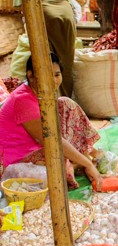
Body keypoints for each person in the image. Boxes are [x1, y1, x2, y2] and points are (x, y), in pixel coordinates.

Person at [0, 53, 101, 189]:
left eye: (57, 75)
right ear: (31, 76)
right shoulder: (22, 100)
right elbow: (51, 140)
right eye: (47, 75)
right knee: (56, 172)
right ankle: (80, 164)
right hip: (17, 159)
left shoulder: (41, 93)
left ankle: (83, 159)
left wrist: (89, 153)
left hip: (36, 147)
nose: (53, 80)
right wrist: (87, 163)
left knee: (65, 104)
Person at [14, 0, 76, 97]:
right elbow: (69, 0)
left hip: (44, 10)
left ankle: (50, 100)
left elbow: (21, 6)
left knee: (44, 57)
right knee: (66, 59)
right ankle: (66, 100)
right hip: (66, 11)